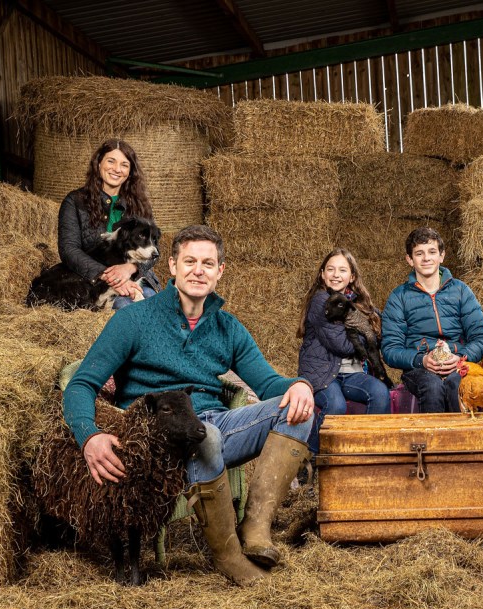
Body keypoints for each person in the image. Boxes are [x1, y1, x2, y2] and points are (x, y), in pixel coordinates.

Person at [63, 224, 314, 586]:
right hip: (156, 435)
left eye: (208, 263)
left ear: (220, 272)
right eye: (190, 261)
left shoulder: (227, 327)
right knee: (206, 435)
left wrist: (301, 386)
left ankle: (255, 530)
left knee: (297, 413)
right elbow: (81, 384)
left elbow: (270, 383)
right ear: (172, 267)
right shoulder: (133, 320)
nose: (199, 270)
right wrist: (89, 436)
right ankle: (227, 556)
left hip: (213, 422)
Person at [381, 226, 483, 413]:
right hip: (420, 369)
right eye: (419, 253)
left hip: (458, 363)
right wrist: (422, 360)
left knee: (457, 384)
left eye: (432, 252)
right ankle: (434, 442)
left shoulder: (461, 291)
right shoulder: (399, 297)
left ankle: (462, 441)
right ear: (410, 259)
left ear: (441, 256)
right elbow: (390, 349)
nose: (426, 258)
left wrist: (461, 358)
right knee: (432, 386)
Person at [297, 248, 391, 454]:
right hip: (322, 373)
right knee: (335, 405)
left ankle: (366, 454)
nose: (336, 274)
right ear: (322, 274)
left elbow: (381, 325)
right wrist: (370, 334)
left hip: (352, 374)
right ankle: (309, 458)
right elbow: (343, 345)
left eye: (342, 270)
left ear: (352, 276)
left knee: (380, 393)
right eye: (330, 269)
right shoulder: (321, 301)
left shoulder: (359, 303)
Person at [58, 139, 161, 309]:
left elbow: (155, 251)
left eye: (124, 164)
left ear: (130, 171)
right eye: (111, 161)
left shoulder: (140, 205)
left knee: (155, 304)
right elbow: (69, 249)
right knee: (128, 308)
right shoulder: (75, 202)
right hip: (94, 282)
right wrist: (109, 276)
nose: (117, 169)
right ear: (99, 164)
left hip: (137, 276)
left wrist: (130, 268)